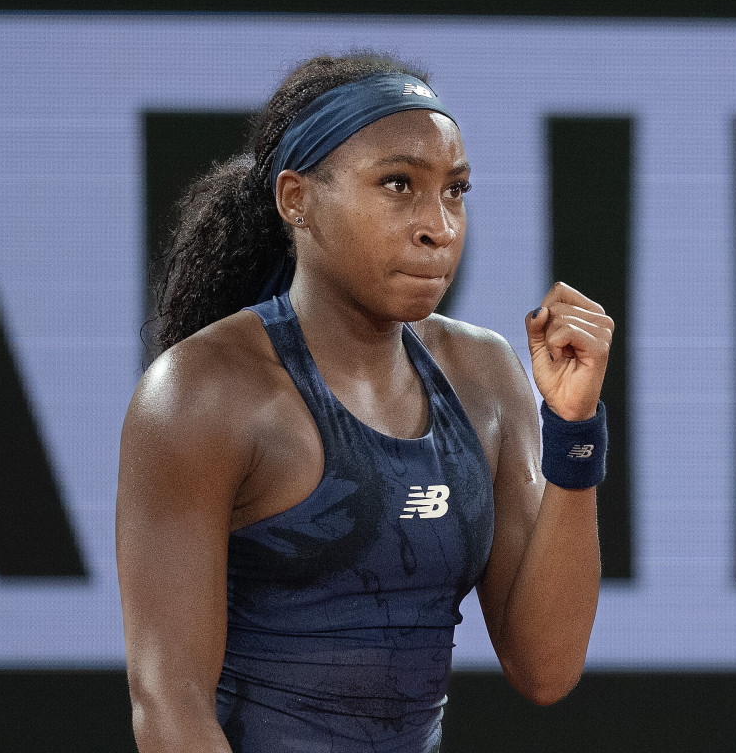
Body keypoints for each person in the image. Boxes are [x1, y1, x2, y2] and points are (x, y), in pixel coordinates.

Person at [116, 52, 611, 752]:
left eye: (456, 191)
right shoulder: (203, 395)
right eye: (399, 184)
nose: (438, 226)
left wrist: (573, 429)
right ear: (297, 200)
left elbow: (546, 667)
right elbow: (170, 705)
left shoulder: (485, 373)